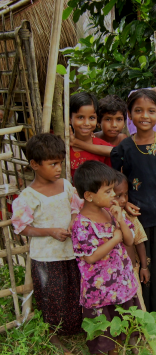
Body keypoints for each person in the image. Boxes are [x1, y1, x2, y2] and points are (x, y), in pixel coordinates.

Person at [110, 89, 156, 315]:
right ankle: (143, 317)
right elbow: (115, 183)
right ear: (129, 115)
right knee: (143, 268)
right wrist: (125, 202)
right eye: (138, 110)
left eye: (151, 111)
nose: (144, 116)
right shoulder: (123, 149)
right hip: (138, 220)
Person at [11, 133, 83, 354]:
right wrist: (49, 232)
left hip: (71, 252)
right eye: (52, 164)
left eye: (60, 163)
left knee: (74, 290)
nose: (58, 168)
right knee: (52, 297)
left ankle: (76, 327)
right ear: (34, 164)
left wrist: (72, 220)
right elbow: (22, 227)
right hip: (46, 256)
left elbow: (75, 207)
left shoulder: (65, 185)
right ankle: (54, 335)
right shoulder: (28, 196)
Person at [71, 161, 140, 355]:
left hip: (121, 286)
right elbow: (91, 257)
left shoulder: (111, 213)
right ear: (89, 196)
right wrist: (114, 238)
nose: (113, 196)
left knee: (124, 327)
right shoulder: (81, 224)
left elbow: (128, 240)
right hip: (99, 293)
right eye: (108, 191)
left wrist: (119, 220)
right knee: (105, 337)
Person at [113, 170, 150, 311]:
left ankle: (140, 333)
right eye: (118, 196)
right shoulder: (104, 218)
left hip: (132, 270)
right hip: (114, 272)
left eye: (125, 194)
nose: (123, 200)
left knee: (138, 305)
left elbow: (139, 241)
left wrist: (144, 267)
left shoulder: (130, 216)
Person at [69, 92, 112, 179]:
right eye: (80, 117)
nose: (86, 123)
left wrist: (76, 142)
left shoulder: (103, 147)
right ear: (70, 119)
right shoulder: (62, 149)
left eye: (91, 118)